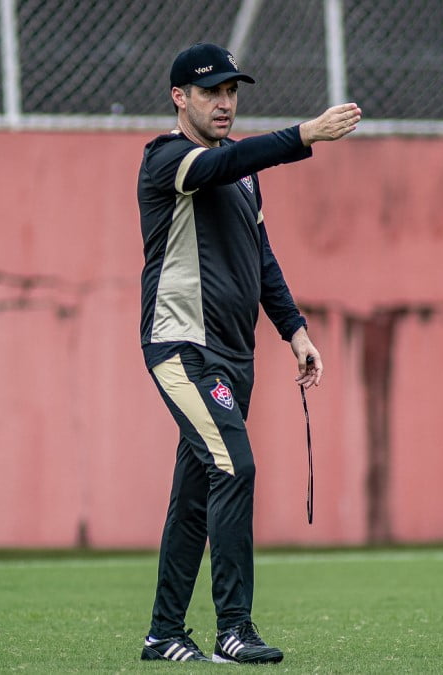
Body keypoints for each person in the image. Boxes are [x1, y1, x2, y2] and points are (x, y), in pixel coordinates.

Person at [136, 42, 362, 664]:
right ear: (180, 98)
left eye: (233, 91)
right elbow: (214, 168)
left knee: (194, 495)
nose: (226, 102)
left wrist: (295, 331)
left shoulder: (243, 174)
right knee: (235, 467)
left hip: (236, 357)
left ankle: (164, 634)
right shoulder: (167, 160)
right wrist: (305, 135)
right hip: (183, 349)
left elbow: (262, 259)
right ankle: (234, 628)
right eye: (212, 92)